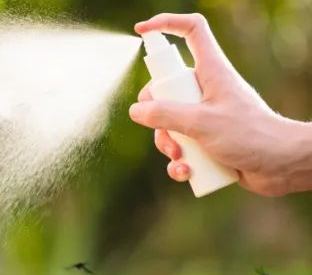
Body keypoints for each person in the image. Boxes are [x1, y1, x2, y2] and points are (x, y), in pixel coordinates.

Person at [130, 13, 312, 197]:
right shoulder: (171, 84)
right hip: (267, 171)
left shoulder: (180, 80)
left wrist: (278, 149)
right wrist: (281, 167)